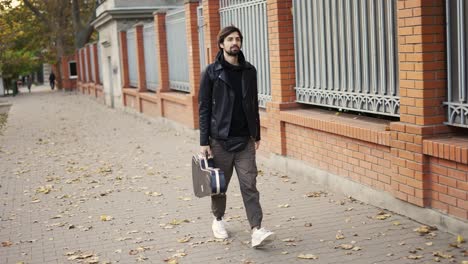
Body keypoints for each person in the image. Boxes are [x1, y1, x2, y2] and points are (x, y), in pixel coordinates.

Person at [198, 26, 275, 248]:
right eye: (230, 39)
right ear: (221, 44)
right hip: (220, 140)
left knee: (249, 184)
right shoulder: (211, 72)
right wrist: (204, 141)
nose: (235, 42)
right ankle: (218, 219)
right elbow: (204, 109)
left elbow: (252, 104)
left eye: (238, 39)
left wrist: (256, 134)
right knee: (220, 186)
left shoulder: (250, 70)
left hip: (244, 141)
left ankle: (257, 229)